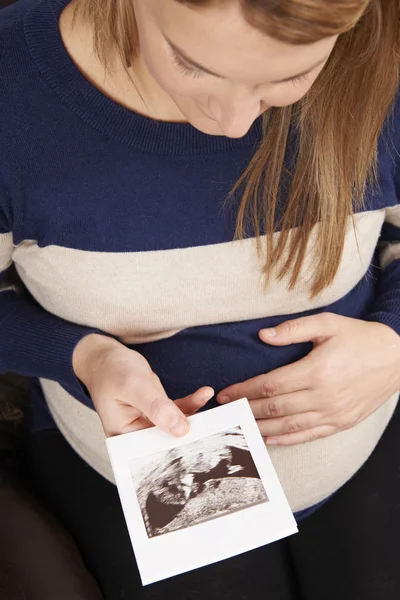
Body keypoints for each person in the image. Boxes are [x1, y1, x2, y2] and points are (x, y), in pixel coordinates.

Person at [0, 0, 399, 598]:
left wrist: (395, 339)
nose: (234, 124)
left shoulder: (382, 53)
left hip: (370, 439)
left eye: (289, 78)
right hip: (148, 478)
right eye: (193, 65)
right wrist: (81, 357)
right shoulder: (13, 89)